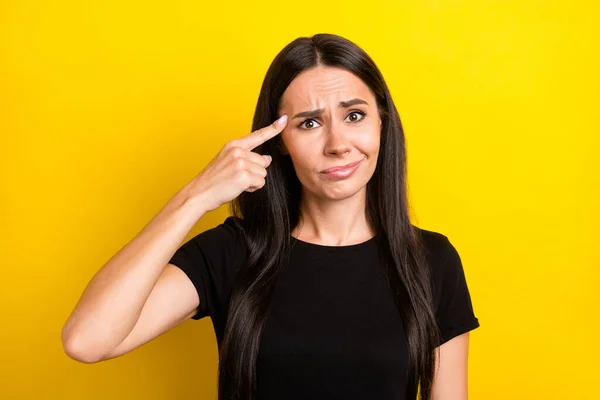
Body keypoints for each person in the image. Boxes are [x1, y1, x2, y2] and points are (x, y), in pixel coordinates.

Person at [62, 33, 480, 400]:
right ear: (279, 143)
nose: (337, 143)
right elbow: (86, 340)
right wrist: (195, 197)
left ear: (382, 123)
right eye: (310, 123)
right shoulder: (233, 252)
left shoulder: (432, 260)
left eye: (354, 115)